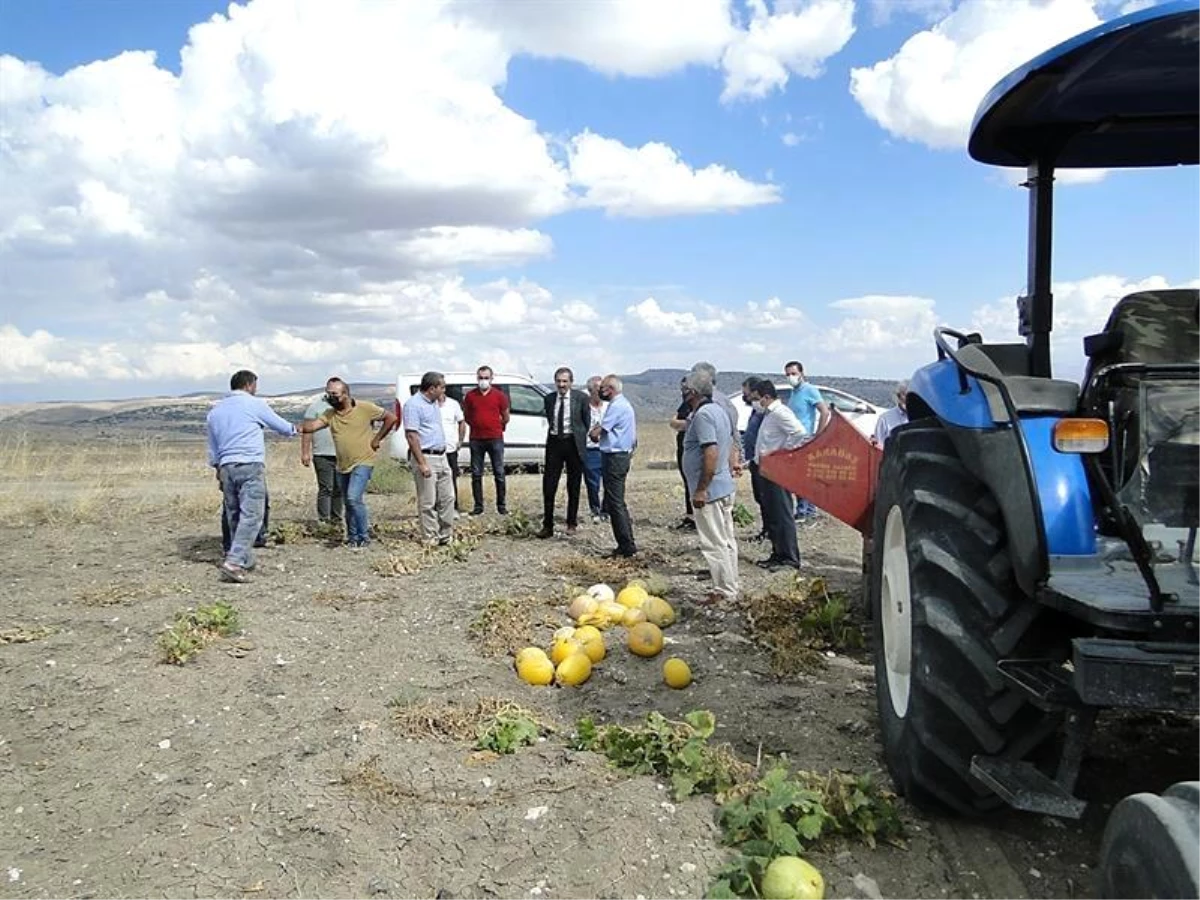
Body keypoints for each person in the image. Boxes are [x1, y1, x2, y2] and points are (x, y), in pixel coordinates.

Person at [205, 369, 298, 583]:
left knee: (234, 514)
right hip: (249, 464)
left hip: (226, 467)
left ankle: (243, 558)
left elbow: (212, 446)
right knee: (252, 515)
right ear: (249, 385)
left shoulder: (216, 411)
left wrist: (217, 467)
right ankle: (234, 562)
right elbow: (282, 427)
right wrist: (296, 429)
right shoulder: (254, 404)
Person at [298, 378, 397, 548]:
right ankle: (352, 537)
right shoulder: (330, 414)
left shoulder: (365, 408)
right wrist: (290, 428)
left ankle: (363, 536)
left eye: (334, 394)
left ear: (345, 394)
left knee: (353, 498)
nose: (330, 397)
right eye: (328, 393)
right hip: (342, 464)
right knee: (347, 501)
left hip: (363, 460)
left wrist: (377, 438)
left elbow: (390, 418)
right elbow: (312, 426)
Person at [681, 367, 740, 603]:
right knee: (726, 540)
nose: (683, 393)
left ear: (692, 392)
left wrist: (702, 488)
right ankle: (730, 586)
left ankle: (724, 591)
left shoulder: (704, 415)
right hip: (723, 486)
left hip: (711, 491)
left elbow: (711, 451)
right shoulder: (718, 410)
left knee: (714, 542)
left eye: (685, 389)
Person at [748, 378, 808, 571]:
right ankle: (778, 553)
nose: (755, 403)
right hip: (764, 469)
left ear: (767, 397)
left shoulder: (781, 413)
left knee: (782, 514)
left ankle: (790, 557)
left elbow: (799, 432)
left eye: (757, 398)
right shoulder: (769, 414)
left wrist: (782, 453)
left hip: (776, 470)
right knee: (772, 514)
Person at [402, 371, 456, 545]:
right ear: (432, 388)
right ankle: (430, 537)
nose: (444, 390)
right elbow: (411, 435)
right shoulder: (413, 405)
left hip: (441, 455)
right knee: (428, 500)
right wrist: (422, 463)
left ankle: (445, 535)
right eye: (442, 387)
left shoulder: (433, 403)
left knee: (448, 498)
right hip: (426, 456)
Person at [589, 374, 637, 558]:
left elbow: (598, 433)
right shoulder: (623, 405)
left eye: (602, 388)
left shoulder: (617, 407)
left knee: (615, 502)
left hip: (615, 457)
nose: (600, 391)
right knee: (615, 501)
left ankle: (626, 545)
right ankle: (625, 543)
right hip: (620, 455)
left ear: (610, 389)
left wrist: (594, 431)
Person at [539, 367, 589, 538]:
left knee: (573, 485)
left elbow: (585, 422)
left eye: (565, 381)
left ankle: (571, 522)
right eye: (559, 381)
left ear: (571, 382)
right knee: (549, 485)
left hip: (573, 443)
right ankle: (547, 525)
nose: (561, 384)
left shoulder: (581, 399)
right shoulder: (549, 399)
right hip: (554, 443)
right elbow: (549, 418)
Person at [784, 360, 829, 521]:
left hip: (805, 438)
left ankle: (805, 511)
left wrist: (819, 435)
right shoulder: (794, 392)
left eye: (793, 373)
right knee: (798, 475)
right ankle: (805, 509)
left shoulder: (809, 390)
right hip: (794, 438)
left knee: (801, 476)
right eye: (788, 374)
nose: (791, 377)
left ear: (802, 374)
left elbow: (824, 411)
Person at [462, 365, 509, 515]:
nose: (483, 381)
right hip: (476, 439)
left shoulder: (499, 396)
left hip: (495, 438)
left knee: (499, 473)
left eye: (486, 378)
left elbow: (506, 416)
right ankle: (478, 506)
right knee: (476, 474)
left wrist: (499, 426)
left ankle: (501, 506)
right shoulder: (470, 396)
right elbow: (467, 416)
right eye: (481, 378)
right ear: (477, 379)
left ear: (491, 378)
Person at [300, 390, 344, 526]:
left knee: (339, 488)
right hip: (322, 454)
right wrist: (305, 452)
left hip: (342, 454)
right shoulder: (315, 407)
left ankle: (336, 519)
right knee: (326, 488)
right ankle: (324, 520)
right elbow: (307, 430)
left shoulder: (345, 406)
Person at [741, 376, 768, 542]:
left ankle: (770, 531)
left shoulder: (764, 412)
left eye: (746, 392)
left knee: (766, 498)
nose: (745, 396)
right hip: (754, 460)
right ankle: (766, 529)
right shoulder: (755, 410)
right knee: (760, 497)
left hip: (763, 462)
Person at [668, 377, 696, 530]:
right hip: (683, 446)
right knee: (687, 481)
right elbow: (675, 420)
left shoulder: (699, 405)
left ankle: (696, 517)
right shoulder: (685, 404)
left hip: (691, 447)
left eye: (685, 386)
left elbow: (681, 423)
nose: (683, 389)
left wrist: (678, 423)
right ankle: (690, 515)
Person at [583, 376, 607, 522]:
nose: (600, 392)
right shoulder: (584, 407)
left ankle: (606, 510)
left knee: (609, 483)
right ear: (590, 391)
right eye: (597, 389)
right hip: (590, 449)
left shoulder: (609, 407)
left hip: (606, 448)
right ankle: (595, 509)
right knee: (593, 483)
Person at [438, 390, 467, 510]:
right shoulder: (429, 405)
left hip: (450, 448)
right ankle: (437, 506)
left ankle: (453, 507)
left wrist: (460, 440)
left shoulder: (453, 404)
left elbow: (461, 422)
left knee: (451, 478)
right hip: (434, 449)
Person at [872, 381, 910, 447]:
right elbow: (878, 445)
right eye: (905, 395)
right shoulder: (885, 419)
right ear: (898, 396)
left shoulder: (923, 418)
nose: (908, 400)